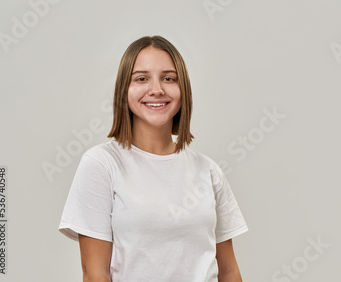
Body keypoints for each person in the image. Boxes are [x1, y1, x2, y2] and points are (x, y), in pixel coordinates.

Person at [58, 35, 248, 282]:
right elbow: (95, 274)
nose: (157, 89)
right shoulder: (102, 164)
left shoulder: (208, 170)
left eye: (169, 78)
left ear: (183, 90)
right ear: (124, 90)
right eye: (141, 79)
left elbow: (230, 271)